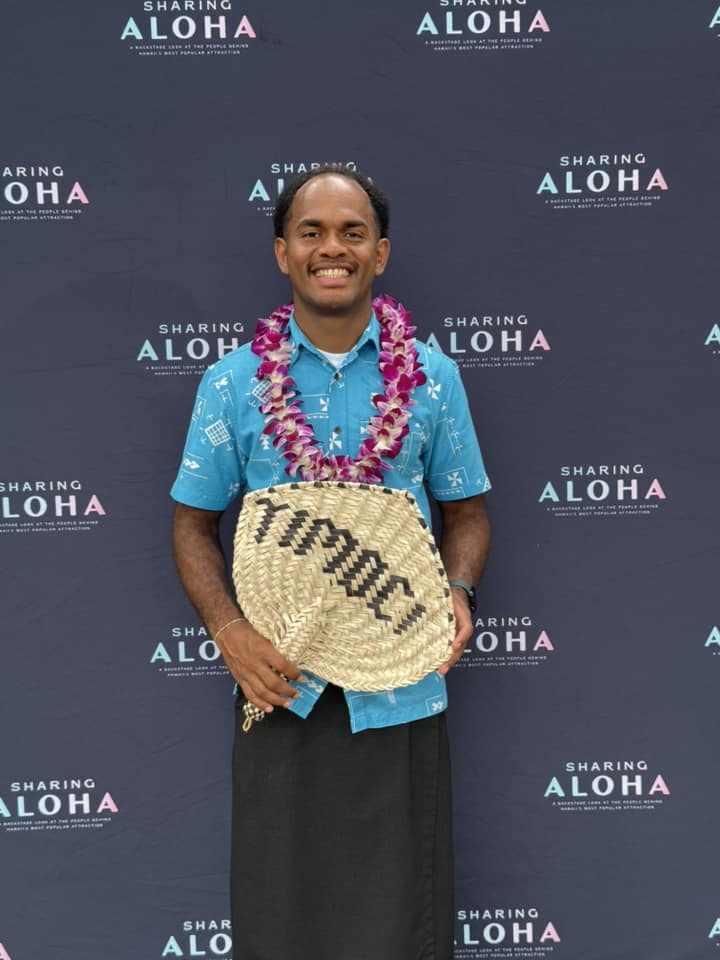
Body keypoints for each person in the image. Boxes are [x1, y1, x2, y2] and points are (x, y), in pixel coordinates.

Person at [170, 166, 491, 960]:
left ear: (380, 252)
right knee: (281, 923)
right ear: (283, 253)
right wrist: (230, 633)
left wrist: (457, 589)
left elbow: (468, 514)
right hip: (281, 687)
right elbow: (191, 526)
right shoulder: (233, 384)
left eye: (353, 232)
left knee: (403, 927)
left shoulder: (433, 378)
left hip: (402, 688)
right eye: (311, 232)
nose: (332, 248)